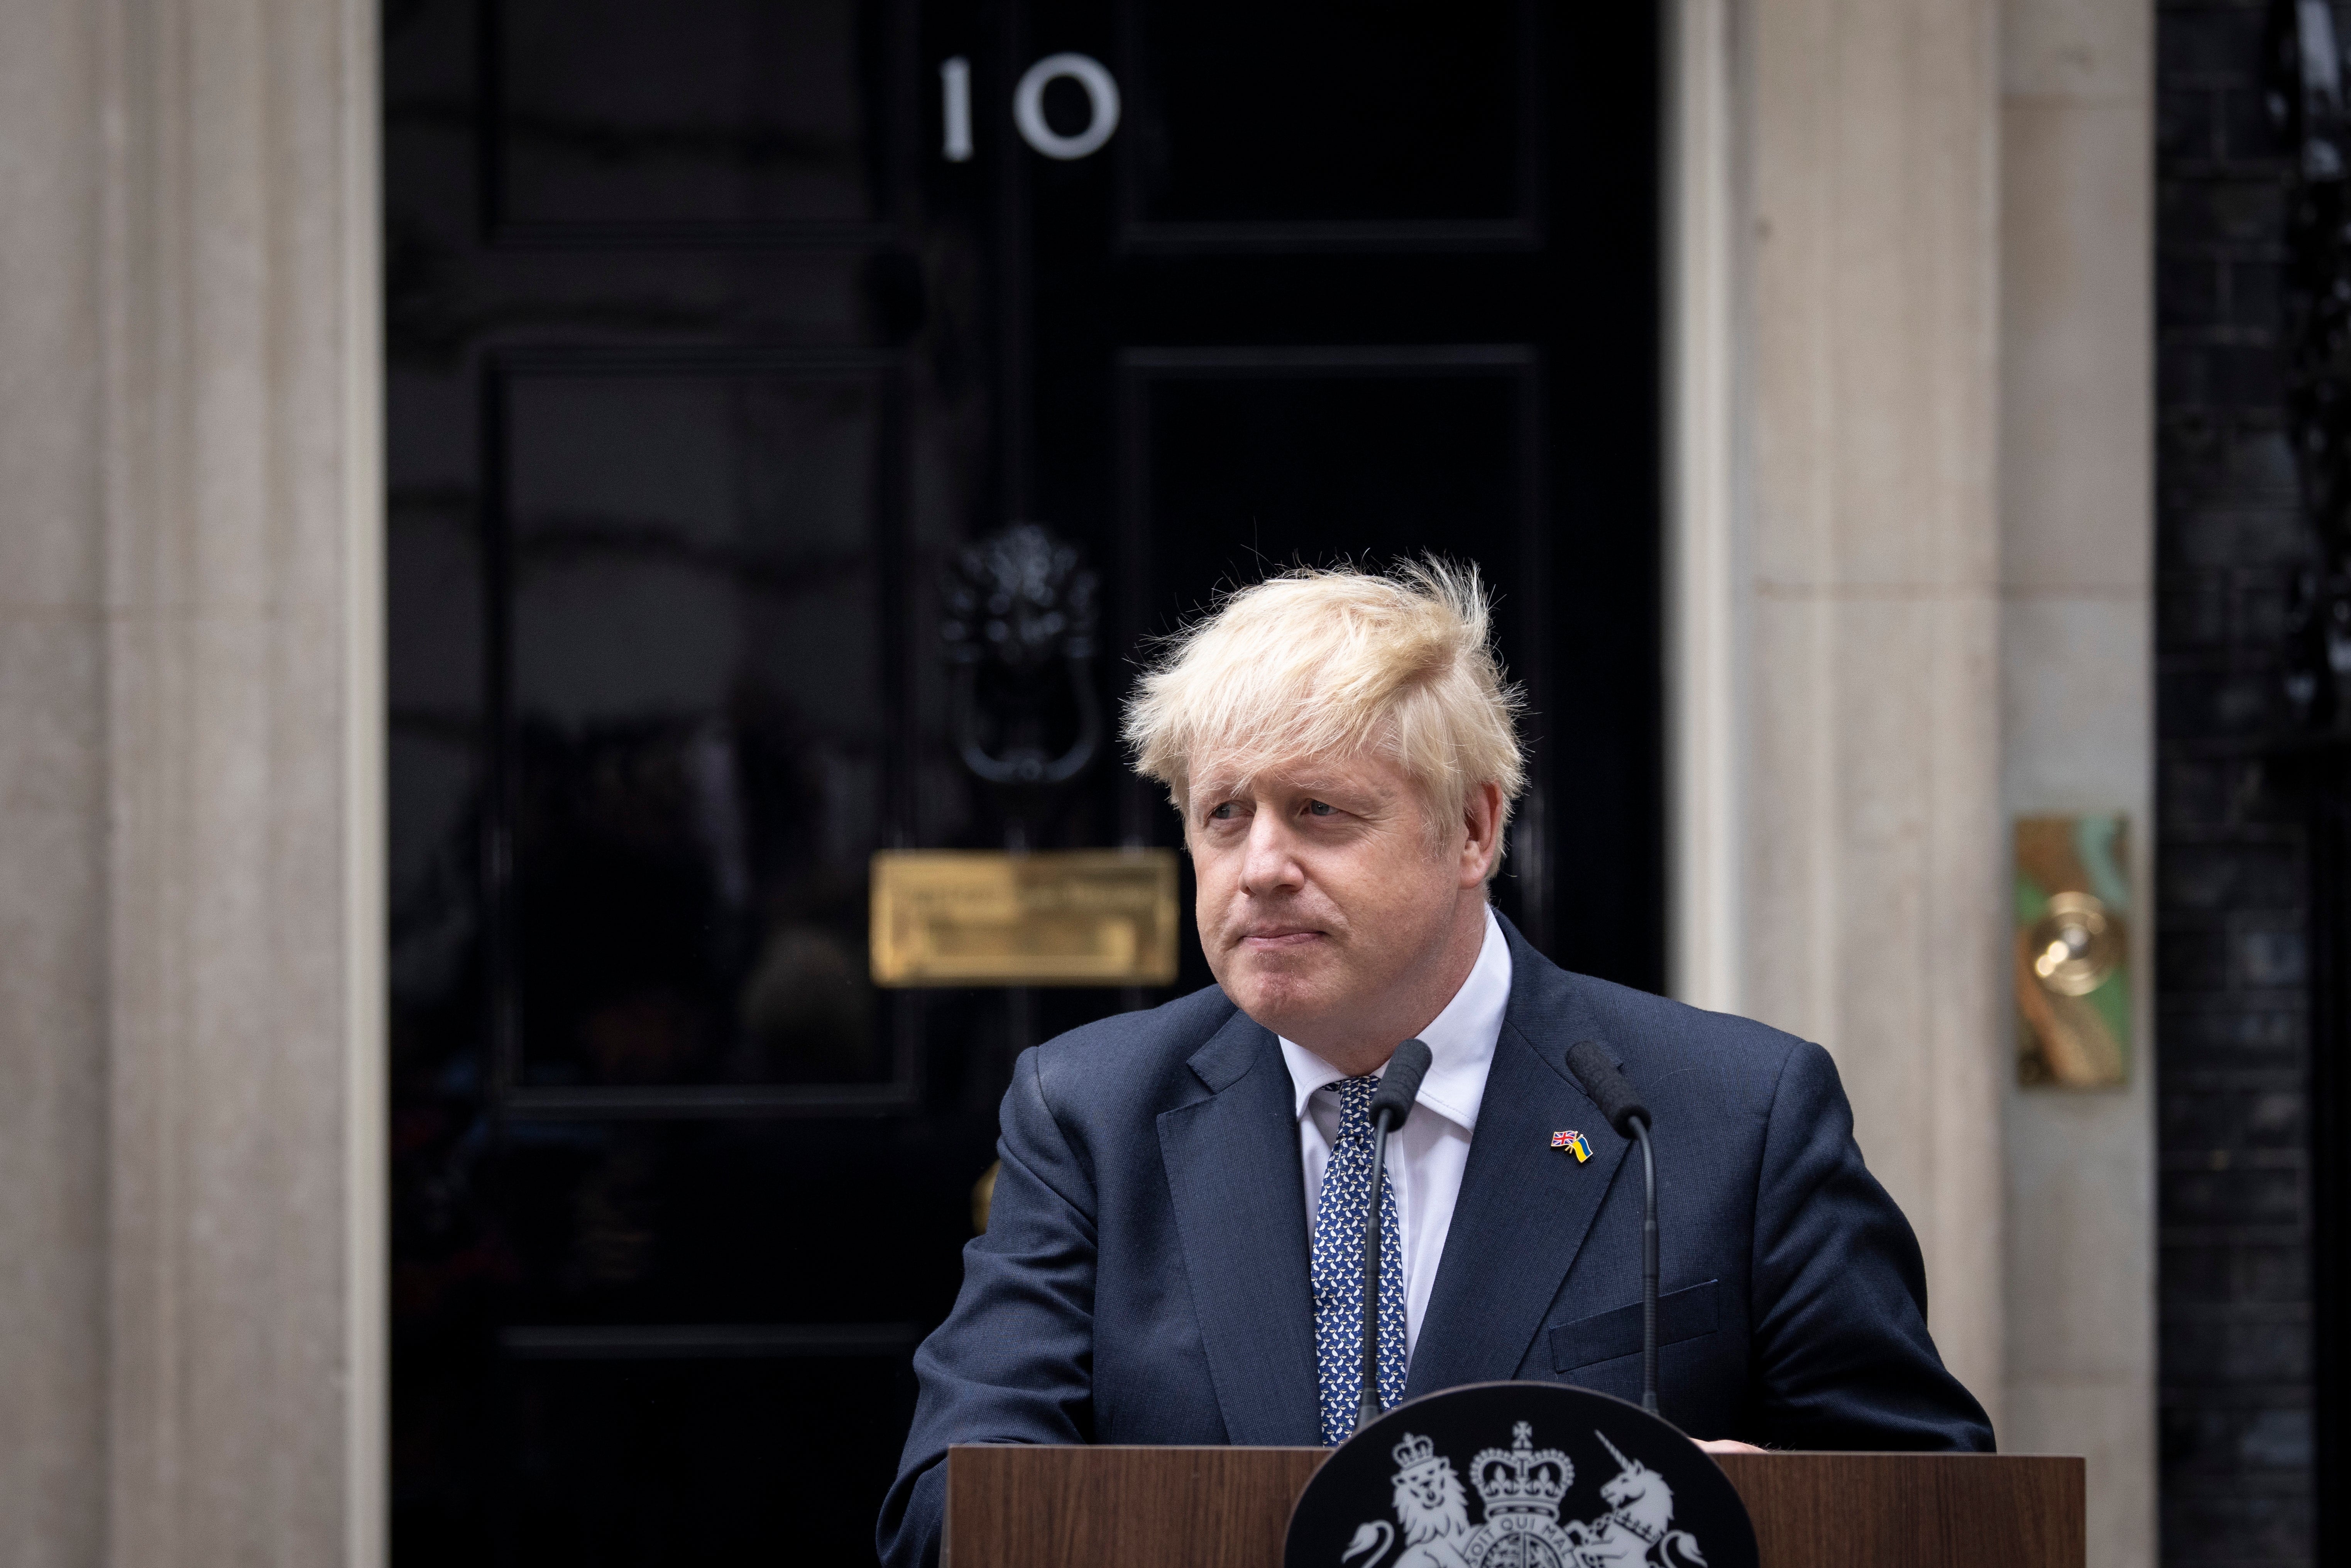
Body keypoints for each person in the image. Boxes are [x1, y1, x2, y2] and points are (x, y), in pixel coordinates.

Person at [877, 561, 1991, 1568]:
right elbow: (947, 1508)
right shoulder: (1089, 1111)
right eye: (1224, 814)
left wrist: (1754, 1515)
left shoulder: (1729, 1113)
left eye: (1318, 812)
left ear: (1471, 831)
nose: (1260, 865)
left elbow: (1932, 1507)